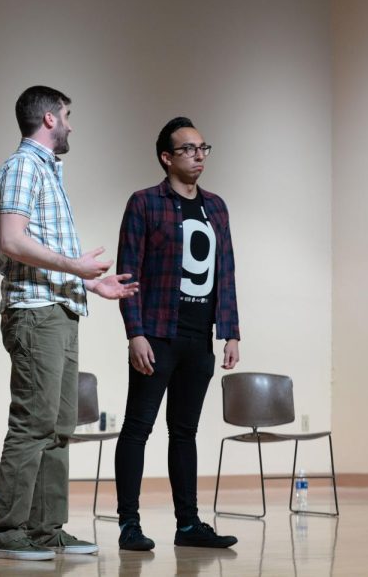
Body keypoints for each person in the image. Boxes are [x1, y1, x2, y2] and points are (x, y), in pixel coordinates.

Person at [0, 85, 139, 561]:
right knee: (33, 422)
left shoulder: (48, 172)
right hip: (35, 314)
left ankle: (45, 529)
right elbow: (12, 241)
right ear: (50, 118)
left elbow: (42, 252)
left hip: (62, 308)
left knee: (59, 425)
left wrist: (92, 285)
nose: (71, 123)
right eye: (68, 115)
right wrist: (75, 269)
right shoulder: (21, 168)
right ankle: (6, 534)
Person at [114, 116, 240, 551]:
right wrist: (136, 333)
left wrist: (231, 332)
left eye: (203, 147)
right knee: (137, 429)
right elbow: (128, 273)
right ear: (167, 157)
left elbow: (226, 271)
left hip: (198, 339)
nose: (198, 155)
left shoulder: (216, 207)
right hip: (158, 335)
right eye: (188, 149)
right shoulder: (145, 203)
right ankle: (129, 525)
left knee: (184, 432)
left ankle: (188, 525)